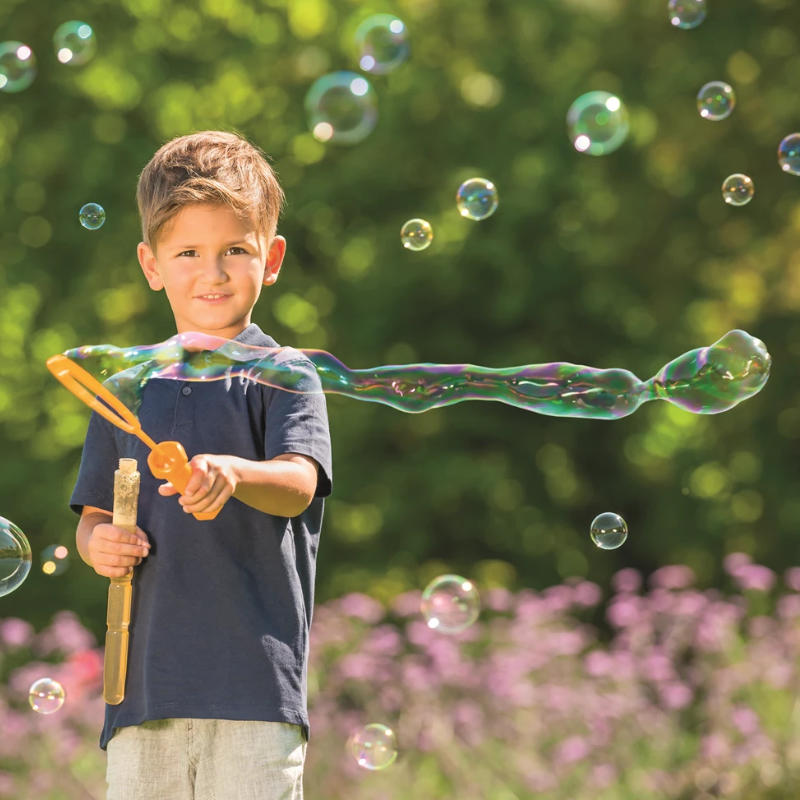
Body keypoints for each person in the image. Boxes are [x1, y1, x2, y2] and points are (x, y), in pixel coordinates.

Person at [71, 130, 332, 800]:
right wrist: (98, 544)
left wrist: (235, 473)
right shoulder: (126, 387)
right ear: (151, 264)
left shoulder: (284, 374)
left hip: (253, 691)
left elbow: (300, 485)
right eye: (188, 251)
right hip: (143, 695)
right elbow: (95, 515)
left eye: (234, 251)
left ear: (270, 258)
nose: (211, 272)